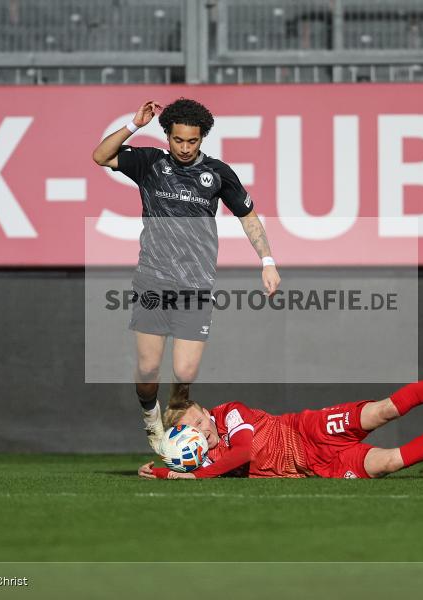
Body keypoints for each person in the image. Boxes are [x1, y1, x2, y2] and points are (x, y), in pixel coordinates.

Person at [92, 99, 280, 453]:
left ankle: (179, 437)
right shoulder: (149, 163)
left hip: (196, 285)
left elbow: (248, 216)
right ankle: (151, 417)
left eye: (192, 141)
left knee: (185, 372)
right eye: (178, 140)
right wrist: (134, 125)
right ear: (167, 136)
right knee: (148, 372)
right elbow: (101, 157)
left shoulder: (218, 173)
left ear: (202, 138)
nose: (184, 147)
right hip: (152, 281)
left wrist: (267, 260)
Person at [138, 361, 423, 479]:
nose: (204, 432)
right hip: (318, 467)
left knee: (383, 410)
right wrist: (160, 470)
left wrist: (183, 476)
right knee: (389, 462)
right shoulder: (200, 453)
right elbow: (181, 462)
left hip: (308, 431)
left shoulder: (230, 414)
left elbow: (242, 454)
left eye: (201, 423)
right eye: (195, 431)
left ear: (207, 412)